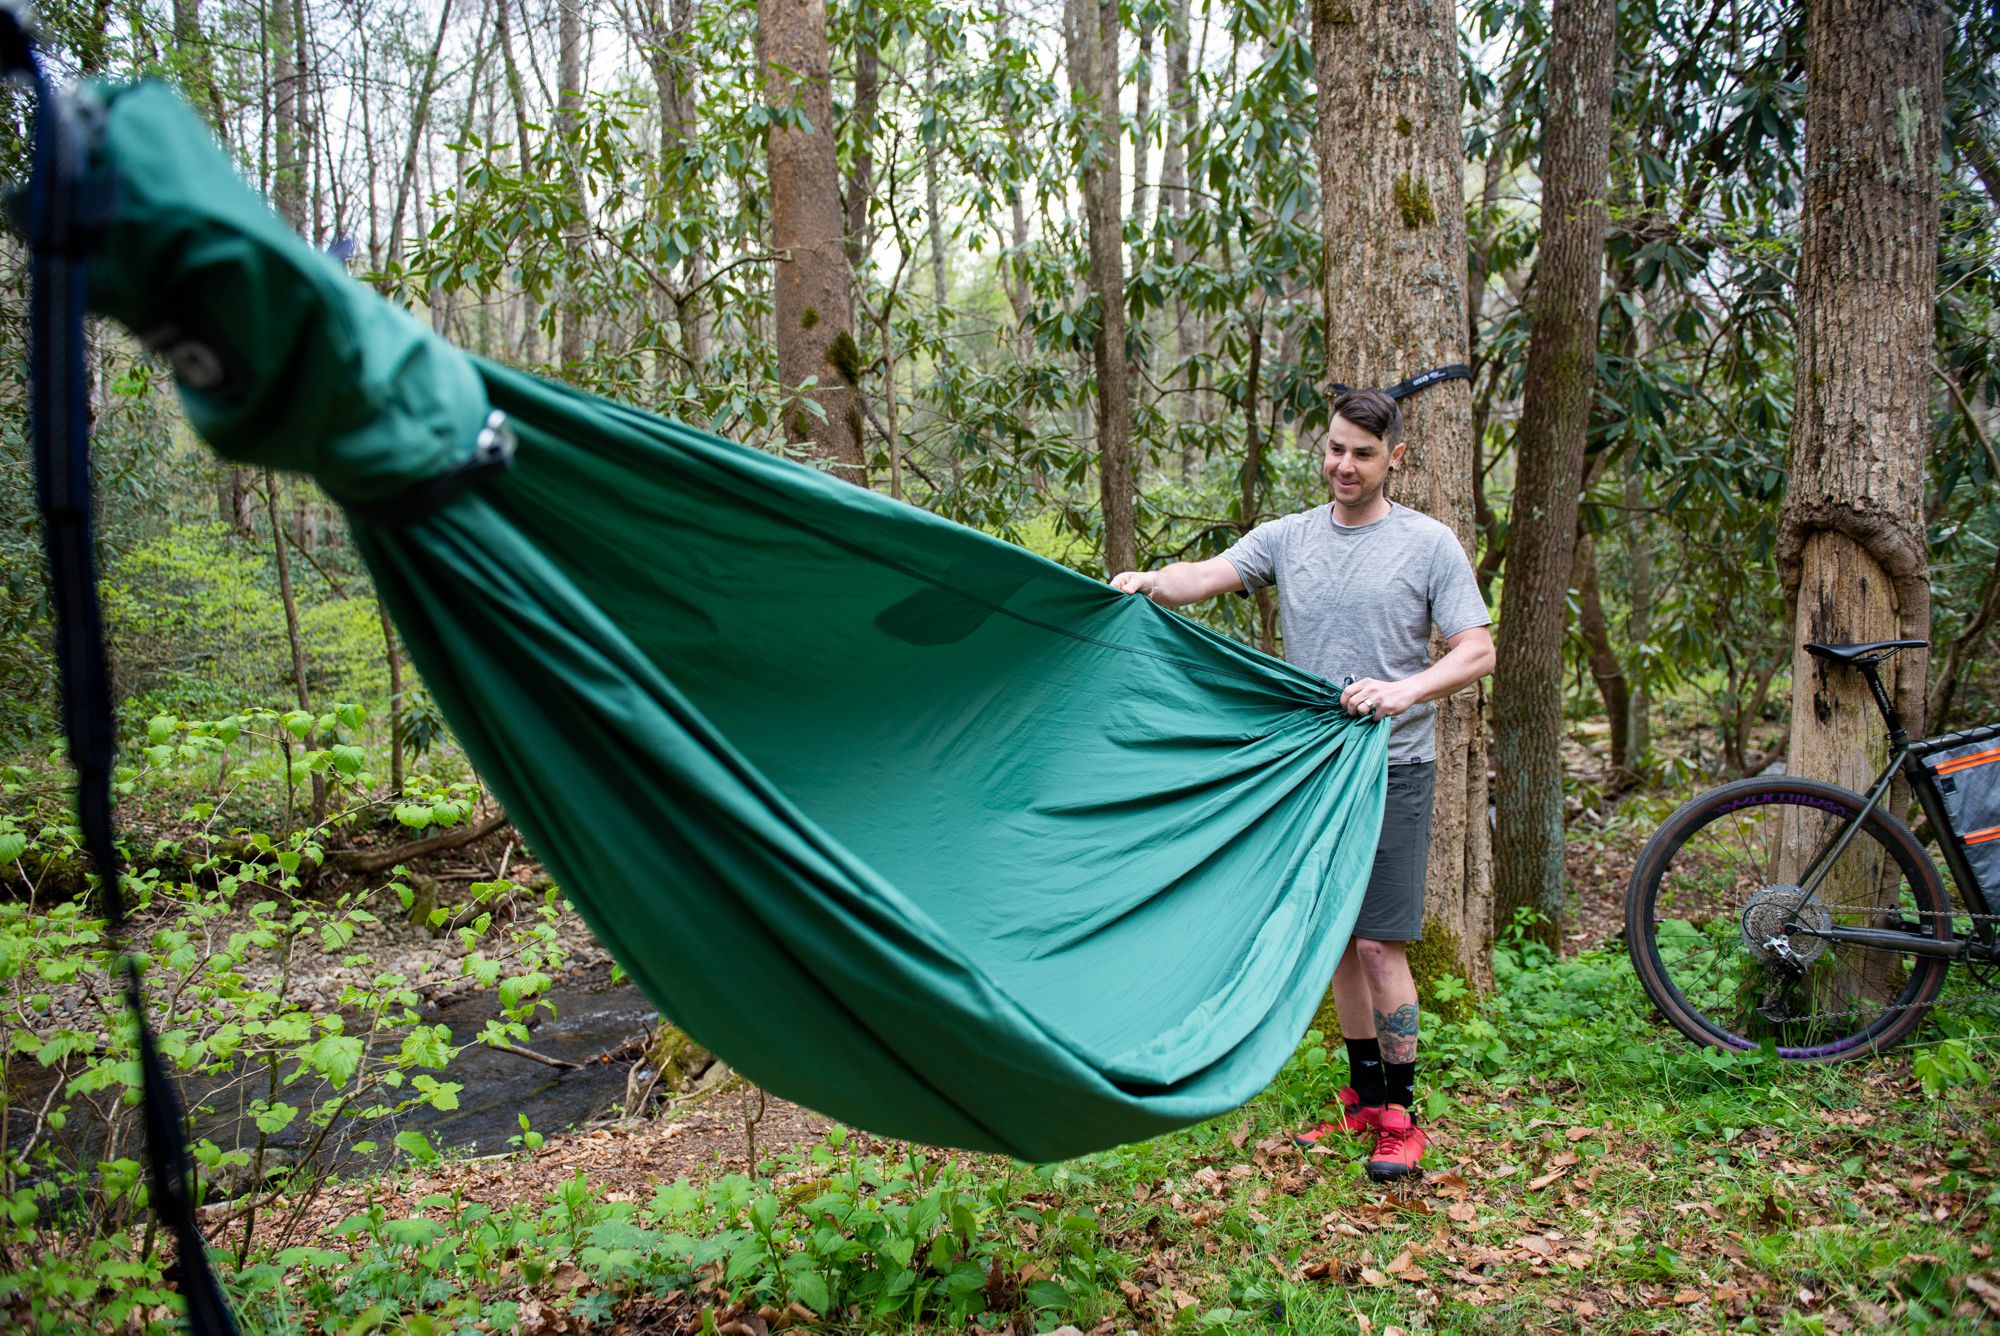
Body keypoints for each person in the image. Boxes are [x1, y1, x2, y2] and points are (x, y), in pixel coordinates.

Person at [1109, 388, 1494, 1182]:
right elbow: (1205, 575)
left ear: (1396, 459)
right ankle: (1359, 1099)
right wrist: (1147, 580)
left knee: (1381, 944)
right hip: (1311, 771)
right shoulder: (1288, 537)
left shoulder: (1428, 544)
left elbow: (1477, 651)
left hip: (1393, 769)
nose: (1343, 466)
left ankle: (1402, 1115)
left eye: (1361, 452)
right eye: (1334, 449)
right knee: (1335, 947)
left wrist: (1403, 691)